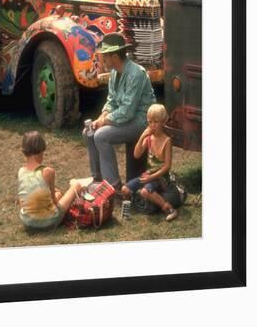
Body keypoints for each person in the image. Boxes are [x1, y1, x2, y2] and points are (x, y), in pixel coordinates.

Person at [83, 32, 156, 189]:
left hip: (141, 121)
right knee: (89, 132)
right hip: (125, 119)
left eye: (105, 56)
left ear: (114, 57)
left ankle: (113, 187)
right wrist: (101, 117)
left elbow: (127, 111)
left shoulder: (136, 73)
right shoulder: (115, 73)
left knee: (101, 136)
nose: (102, 59)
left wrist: (105, 121)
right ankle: (98, 180)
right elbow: (112, 101)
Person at [121, 104, 178, 221]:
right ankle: (128, 210)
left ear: (163, 122)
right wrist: (142, 136)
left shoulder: (167, 141)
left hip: (161, 178)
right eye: (150, 122)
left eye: (156, 122)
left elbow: (167, 166)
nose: (152, 125)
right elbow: (136, 154)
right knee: (124, 190)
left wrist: (150, 177)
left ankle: (169, 209)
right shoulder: (149, 138)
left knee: (145, 192)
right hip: (148, 175)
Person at [18, 131, 83, 230]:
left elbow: (22, 201)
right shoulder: (48, 172)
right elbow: (55, 202)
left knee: (58, 194)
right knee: (76, 186)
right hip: (49, 222)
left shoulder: (21, 171)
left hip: (27, 221)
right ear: (41, 151)